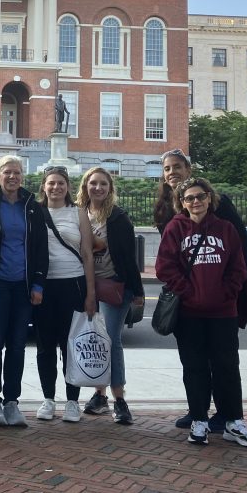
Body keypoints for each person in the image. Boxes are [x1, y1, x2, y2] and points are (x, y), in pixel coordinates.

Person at [155, 177, 247, 448]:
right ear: (182, 203)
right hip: (189, 313)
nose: (196, 202)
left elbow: (238, 268)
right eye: (189, 198)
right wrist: (189, 292)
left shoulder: (226, 229)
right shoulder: (175, 229)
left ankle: (233, 421)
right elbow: (165, 267)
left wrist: (225, 293)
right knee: (194, 368)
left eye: (200, 196)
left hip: (223, 312)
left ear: (209, 198)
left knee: (227, 367)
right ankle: (199, 419)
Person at [0, 155, 47, 428]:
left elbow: (40, 249)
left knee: (17, 344)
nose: (12, 177)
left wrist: (38, 283)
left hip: (24, 286)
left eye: (16, 172)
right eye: (7, 172)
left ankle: (12, 401)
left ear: (22, 176)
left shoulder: (32, 207)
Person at [76, 166, 144, 425]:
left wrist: (137, 291)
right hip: (85, 286)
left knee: (111, 341)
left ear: (110, 188)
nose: (98, 188)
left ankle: (120, 399)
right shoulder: (78, 214)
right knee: (93, 340)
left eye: (103, 184)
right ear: (86, 186)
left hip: (115, 285)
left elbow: (129, 257)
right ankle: (99, 396)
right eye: (93, 183)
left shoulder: (117, 217)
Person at [32, 165, 95, 422]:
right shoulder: (36, 212)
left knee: (71, 346)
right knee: (45, 345)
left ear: (68, 187)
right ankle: (48, 398)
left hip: (73, 283)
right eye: (51, 183)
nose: (56, 187)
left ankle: (72, 400)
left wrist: (91, 293)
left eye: (61, 183)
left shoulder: (78, 213)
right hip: (44, 285)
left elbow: (88, 254)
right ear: (44, 187)